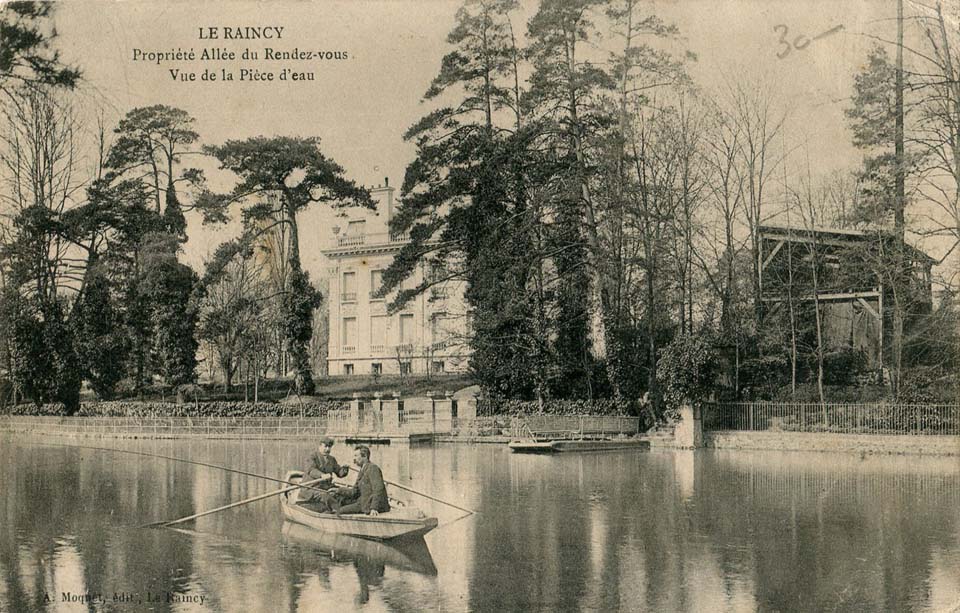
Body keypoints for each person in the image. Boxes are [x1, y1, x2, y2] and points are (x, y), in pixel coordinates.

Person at [297, 437, 349, 512]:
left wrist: (344, 470)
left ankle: (343, 509)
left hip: (326, 488)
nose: (327, 449)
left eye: (329, 447)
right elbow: (311, 470)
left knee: (342, 492)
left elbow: (339, 473)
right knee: (326, 496)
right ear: (320, 446)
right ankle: (339, 511)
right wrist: (322, 475)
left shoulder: (332, 459)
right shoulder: (312, 456)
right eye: (325, 446)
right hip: (311, 488)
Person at [335, 445, 390, 516]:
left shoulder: (373, 468)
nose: (354, 459)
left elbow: (378, 488)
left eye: (356, 456)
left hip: (370, 506)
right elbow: (354, 492)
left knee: (340, 511)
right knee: (338, 506)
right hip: (363, 503)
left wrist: (374, 508)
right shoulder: (362, 470)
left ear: (365, 456)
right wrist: (338, 490)